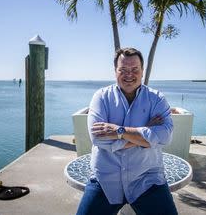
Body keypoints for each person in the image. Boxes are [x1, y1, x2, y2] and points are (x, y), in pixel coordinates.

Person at [76, 48, 177, 215]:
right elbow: (98, 139)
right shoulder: (101, 97)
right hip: (105, 180)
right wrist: (146, 135)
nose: (129, 74)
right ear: (115, 71)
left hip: (147, 178)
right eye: (123, 70)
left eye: (134, 69)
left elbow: (166, 136)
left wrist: (119, 131)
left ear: (142, 71)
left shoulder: (156, 98)